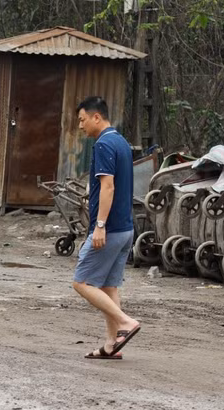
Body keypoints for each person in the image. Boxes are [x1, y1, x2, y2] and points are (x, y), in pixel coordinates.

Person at [71, 97, 142, 360]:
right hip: (125, 229)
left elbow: (108, 187)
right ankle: (112, 345)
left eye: (82, 119)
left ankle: (125, 322)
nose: (81, 126)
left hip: (109, 228)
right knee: (109, 286)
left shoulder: (103, 144)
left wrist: (99, 225)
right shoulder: (121, 142)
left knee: (82, 282)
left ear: (96, 117)